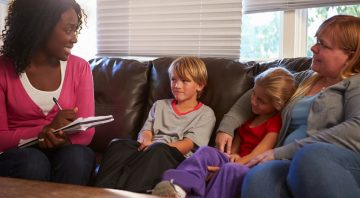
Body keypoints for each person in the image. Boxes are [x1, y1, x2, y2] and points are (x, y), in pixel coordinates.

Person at [218, 15, 360, 198]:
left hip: (333, 162)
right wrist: (227, 128)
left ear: (350, 56)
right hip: (286, 160)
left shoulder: (355, 84)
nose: (313, 48)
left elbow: (357, 129)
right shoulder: (305, 79)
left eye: (323, 45)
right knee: (258, 177)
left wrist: (282, 152)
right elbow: (259, 91)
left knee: (309, 156)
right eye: (316, 41)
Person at [151, 67, 296, 198]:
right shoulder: (250, 117)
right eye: (253, 94)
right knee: (206, 151)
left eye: (261, 101)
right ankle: (178, 187)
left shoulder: (274, 122)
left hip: (250, 166)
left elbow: (257, 155)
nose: (253, 101)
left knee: (231, 169)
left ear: (277, 105)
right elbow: (237, 143)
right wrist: (230, 154)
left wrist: (228, 165)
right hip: (236, 160)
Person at [0, 0, 95, 185]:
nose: (74, 38)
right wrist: (41, 132)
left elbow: (86, 132)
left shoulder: (80, 68)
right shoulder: (2, 69)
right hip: (20, 156)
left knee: (78, 157)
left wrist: (60, 137)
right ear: (41, 27)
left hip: (65, 150)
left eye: (75, 30)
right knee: (34, 162)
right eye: (68, 29)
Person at [95, 56, 216, 193]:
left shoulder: (205, 113)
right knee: (118, 144)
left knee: (158, 150)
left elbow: (188, 144)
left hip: (174, 156)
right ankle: (101, 193)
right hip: (149, 148)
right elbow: (146, 131)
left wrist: (155, 147)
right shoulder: (160, 105)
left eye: (184, 81)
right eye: (173, 79)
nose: (177, 85)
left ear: (199, 85)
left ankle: (132, 193)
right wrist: (146, 141)